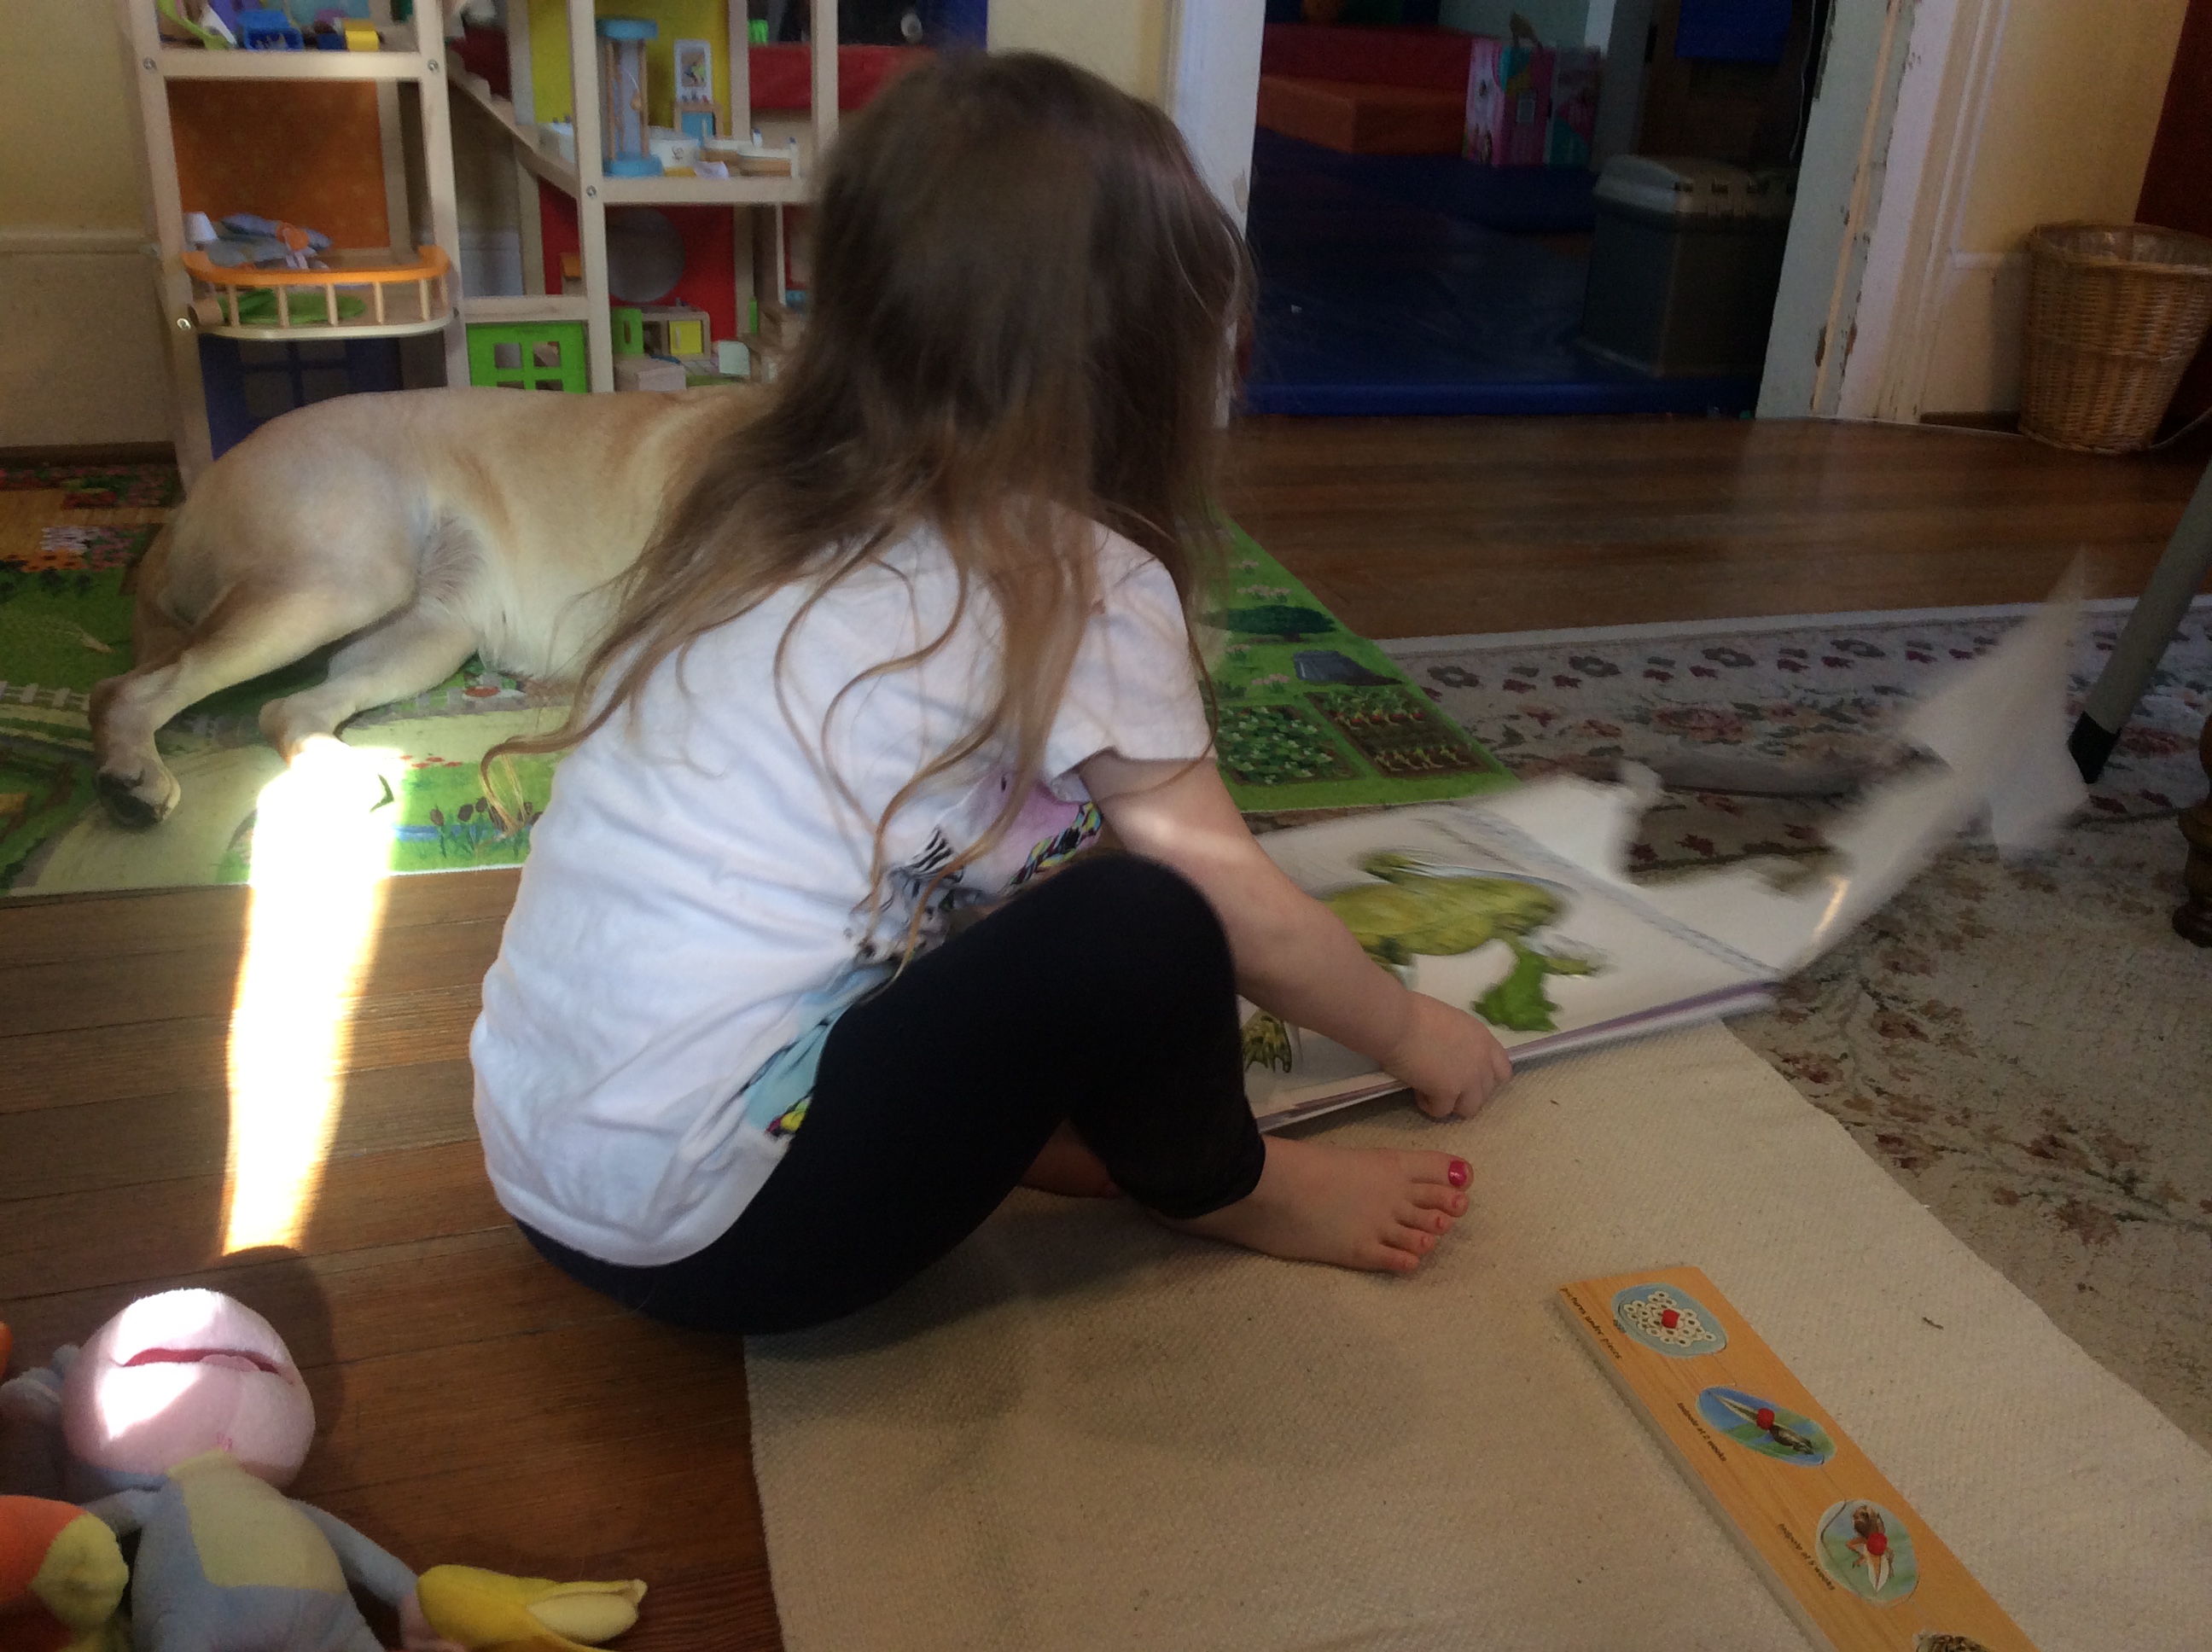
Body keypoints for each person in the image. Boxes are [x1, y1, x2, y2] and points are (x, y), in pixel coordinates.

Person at [469, 51, 1512, 1338]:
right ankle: (1227, 1186)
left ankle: (1042, 1138)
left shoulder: (752, 503)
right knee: (1146, 915)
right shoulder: (1077, 575)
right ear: (1138, 360)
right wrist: (1410, 1030)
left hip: (542, 1163)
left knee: (1012, 889)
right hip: (739, 1236)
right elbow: (1235, 906)